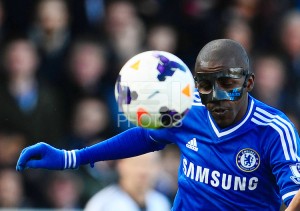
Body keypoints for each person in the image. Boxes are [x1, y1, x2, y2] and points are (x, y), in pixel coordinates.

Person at [16, 39, 300, 210]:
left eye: (227, 83)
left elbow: (294, 197)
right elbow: (145, 136)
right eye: (204, 84)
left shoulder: (274, 130)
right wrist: (72, 157)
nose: (214, 96)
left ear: (249, 82)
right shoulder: (187, 109)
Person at [84, 152, 171, 211]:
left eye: (150, 164)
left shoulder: (161, 202)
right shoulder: (103, 204)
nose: (144, 171)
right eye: (137, 163)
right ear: (121, 165)